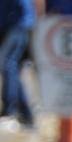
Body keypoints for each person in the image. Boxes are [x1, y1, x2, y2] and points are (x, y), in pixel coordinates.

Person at [0, 0, 36, 131]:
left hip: (17, 24)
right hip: (10, 24)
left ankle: (10, 112)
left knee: (7, 64)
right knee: (13, 69)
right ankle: (26, 115)